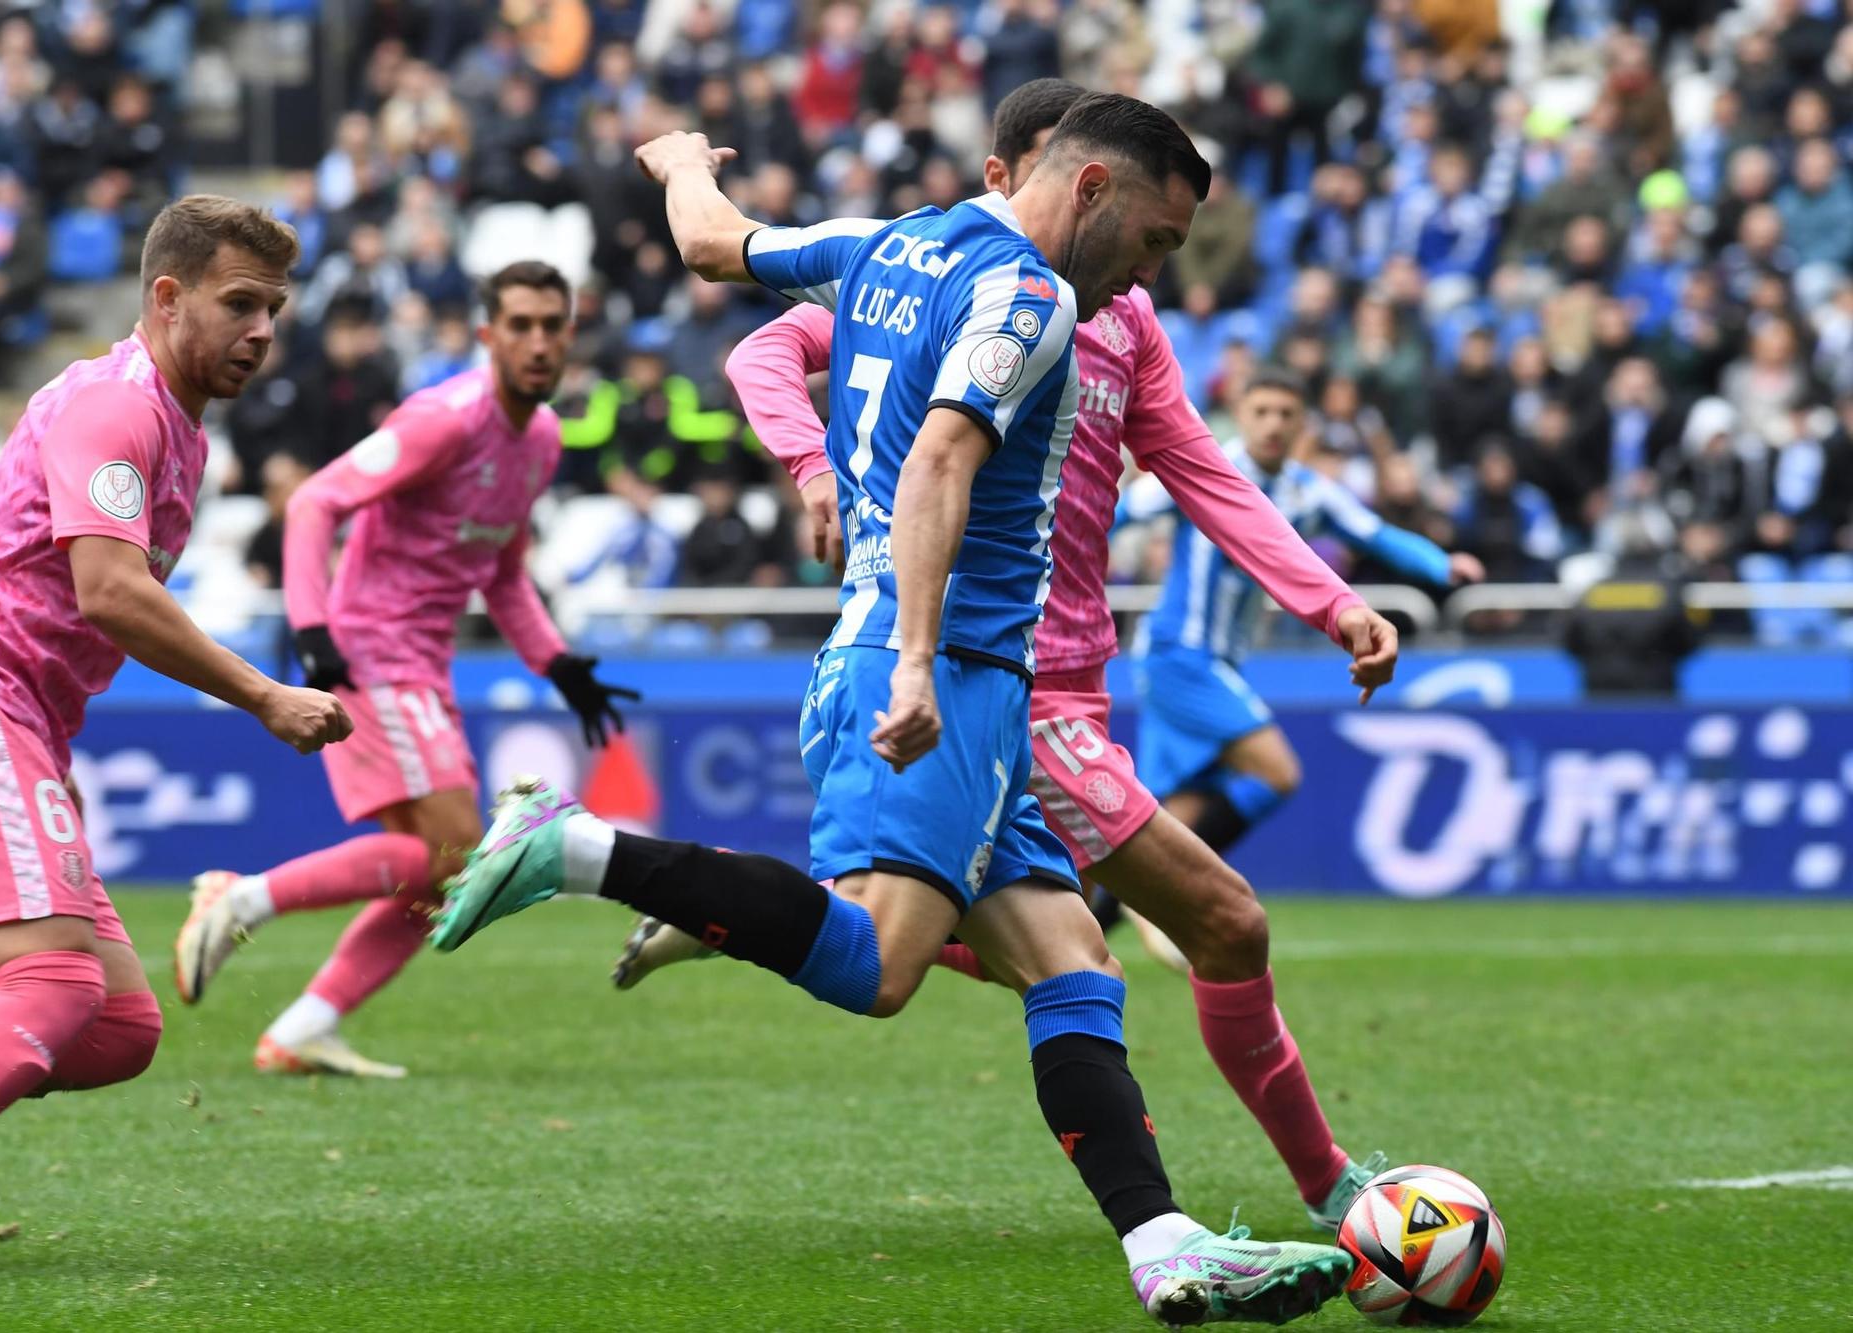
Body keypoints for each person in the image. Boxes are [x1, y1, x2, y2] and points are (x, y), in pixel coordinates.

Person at [432, 96, 1363, 1326]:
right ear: (1088, 190)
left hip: (939, 666)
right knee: (878, 966)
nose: (1151, 275)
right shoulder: (1029, 302)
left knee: (1071, 959)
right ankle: (573, 846)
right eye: (1153, 241)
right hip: (943, 668)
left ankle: (1164, 1243)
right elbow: (938, 461)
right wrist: (920, 660)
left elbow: (716, 246)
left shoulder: (883, 243)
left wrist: (672, 163)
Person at [662, 78, 1405, 1242]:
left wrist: (1327, 601)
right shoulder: (957, 273)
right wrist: (812, 467)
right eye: (1151, 239)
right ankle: (1327, 1188)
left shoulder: (1123, 320)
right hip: (996, 682)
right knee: (1219, 922)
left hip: (1054, 683)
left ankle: (743, 905)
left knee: (1048, 952)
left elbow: (1205, 473)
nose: (1147, 265)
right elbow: (771, 351)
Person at [0, 197, 350, 1274]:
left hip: (8, 723)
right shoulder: (115, 408)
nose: (261, 329)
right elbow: (111, 590)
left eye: (273, 307)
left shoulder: (174, 427)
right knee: (54, 989)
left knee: (115, 1025)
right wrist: (264, 695)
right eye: (237, 303)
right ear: (166, 298)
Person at [173, 262, 638, 1077]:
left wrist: (558, 664)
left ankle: (303, 1029)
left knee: (437, 873)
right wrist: (312, 628)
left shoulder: (541, 439)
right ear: (488, 336)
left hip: (422, 665)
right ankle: (240, 898)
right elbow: (317, 501)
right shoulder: (445, 420)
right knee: (460, 854)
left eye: (551, 325)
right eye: (519, 325)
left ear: (571, 335)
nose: (536, 342)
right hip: (368, 649)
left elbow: (502, 573)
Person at [1125, 369, 1483, 864]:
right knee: (1277, 773)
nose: (1273, 424)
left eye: (1286, 414)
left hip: (1223, 661)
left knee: (1182, 803)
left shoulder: (1309, 493)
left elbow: (1376, 535)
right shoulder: (1199, 470)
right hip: (1179, 654)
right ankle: (1178, 892)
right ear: (1241, 417)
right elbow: (1116, 510)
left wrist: (1441, 564)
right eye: (1262, 412)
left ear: (1303, 424)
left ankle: (1111, 914)